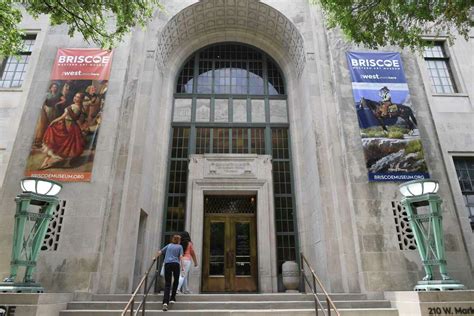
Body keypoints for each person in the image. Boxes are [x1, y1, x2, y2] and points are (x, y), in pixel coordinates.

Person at [40, 92, 86, 170]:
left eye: (78, 97)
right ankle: (65, 163)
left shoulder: (73, 107)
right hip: (73, 126)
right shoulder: (80, 107)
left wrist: (53, 121)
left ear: (81, 99)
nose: (75, 98)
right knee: (69, 146)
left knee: (57, 143)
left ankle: (46, 163)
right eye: (75, 96)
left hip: (67, 127)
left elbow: (62, 117)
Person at [154, 235, 184, 312]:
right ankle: (172, 298)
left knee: (168, 283)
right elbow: (180, 257)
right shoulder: (180, 247)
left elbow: (160, 252)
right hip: (176, 264)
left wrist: (155, 257)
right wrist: (182, 266)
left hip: (167, 264)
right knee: (176, 280)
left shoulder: (169, 245)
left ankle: (165, 302)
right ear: (178, 240)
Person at [33, 82, 60, 147]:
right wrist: (44, 107)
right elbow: (42, 102)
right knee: (43, 124)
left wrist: (57, 104)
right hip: (46, 110)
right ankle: (39, 141)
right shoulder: (47, 94)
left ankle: (47, 141)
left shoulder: (57, 95)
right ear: (50, 88)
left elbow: (62, 100)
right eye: (53, 87)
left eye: (55, 87)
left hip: (53, 111)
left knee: (51, 125)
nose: (54, 88)